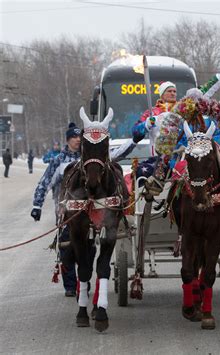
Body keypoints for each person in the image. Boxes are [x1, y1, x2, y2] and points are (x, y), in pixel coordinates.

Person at [31, 122, 139, 297]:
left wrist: (134, 141)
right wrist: (37, 205)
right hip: (68, 213)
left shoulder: (93, 156)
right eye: (73, 137)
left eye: (79, 137)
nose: (77, 140)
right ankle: (71, 286)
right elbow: (44, 183)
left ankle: (84, 282)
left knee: (89, 250)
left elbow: (119, 152)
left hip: (94, 211)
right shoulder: (59, 161)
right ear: (67, 140)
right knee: (68, 247)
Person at [132, 81, 178, 155]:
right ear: (162, 95)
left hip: (178, 155)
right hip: (157, 156)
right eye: (169, 91)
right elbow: (135, 132)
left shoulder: (181, 110)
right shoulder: (151, 112)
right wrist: (146, 124)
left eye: (174, 91)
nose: (173, 93)